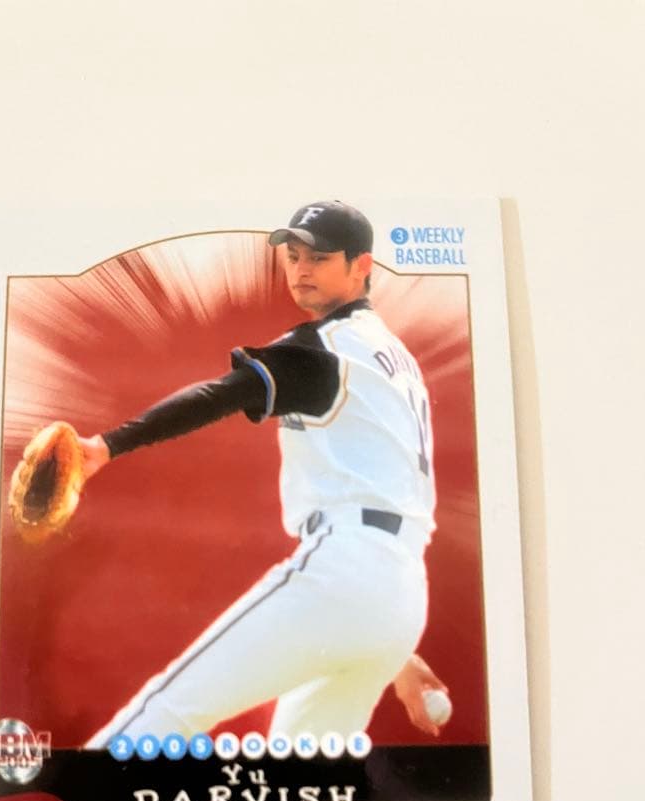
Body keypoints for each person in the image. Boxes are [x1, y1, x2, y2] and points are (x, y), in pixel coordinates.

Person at [80, 200, 450, 751]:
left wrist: (107, 445)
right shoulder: (397, 359)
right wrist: (393, 645)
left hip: (346, 568)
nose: (301, 269)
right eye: (293, 256)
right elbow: (382, 489)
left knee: (169, 709)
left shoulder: (325, 348)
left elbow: (221, 394)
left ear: (362, 266)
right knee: (299, 778)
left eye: (319, 258)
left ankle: (69, 800)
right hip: (399, 593)